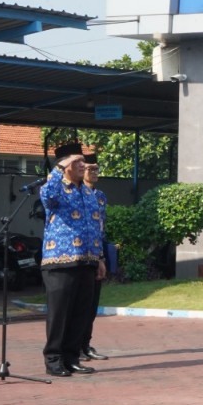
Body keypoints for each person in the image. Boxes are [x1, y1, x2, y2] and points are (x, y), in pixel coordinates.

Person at [40, 143, 106, 377]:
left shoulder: (89, 193)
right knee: (60, 315)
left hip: (87, 262)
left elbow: (96, 227)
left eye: (83, 161)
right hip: (60, 261)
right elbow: (46, 196)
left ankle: (72, 358)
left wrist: (99, 259)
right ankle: (54, 359)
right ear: (65, 165)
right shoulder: (56, 189)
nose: (83, 165)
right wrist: (59, 168)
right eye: (77, 162)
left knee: (81, 314)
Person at [76, 154, 112, 362]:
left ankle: (85, 344)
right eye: (91, 169)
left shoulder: (100, 196)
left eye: (97, 169)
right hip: (80, 254)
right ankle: (75, 347)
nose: (95, 172)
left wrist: (102, 257)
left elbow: (101, 228)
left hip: (97, 253)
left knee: (91, 304)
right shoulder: (76, 193)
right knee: (79, 305)